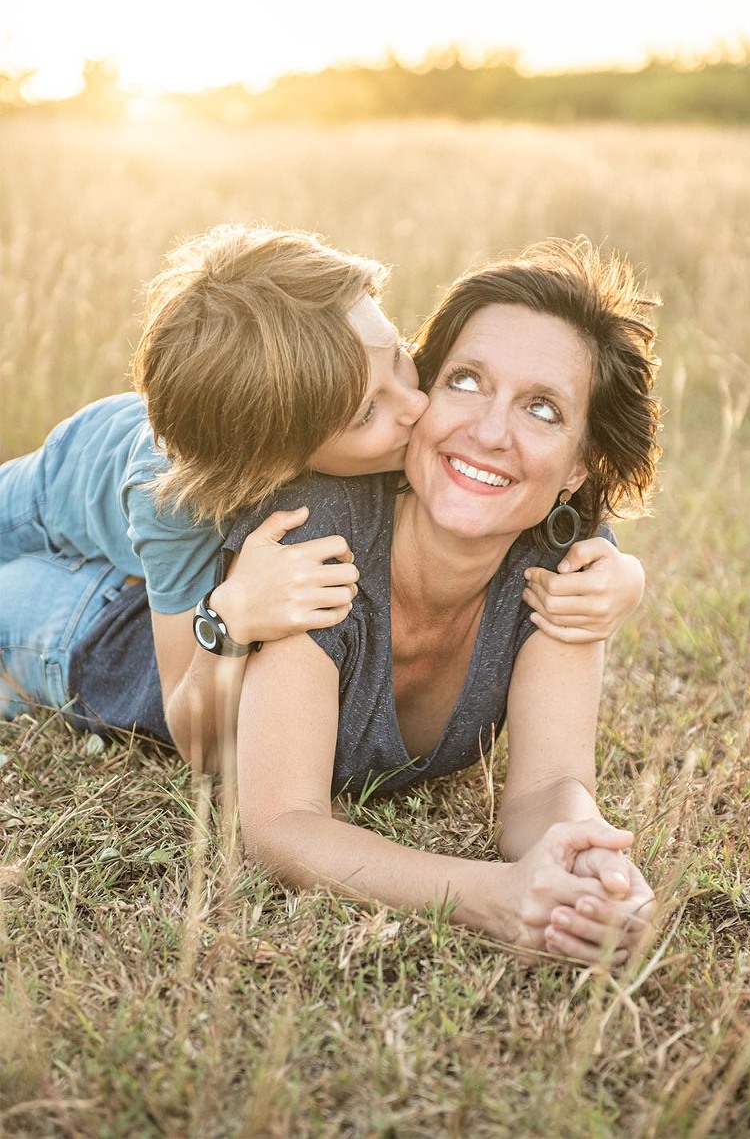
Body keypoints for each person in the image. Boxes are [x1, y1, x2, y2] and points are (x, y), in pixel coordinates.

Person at [71, 237, 663, 964]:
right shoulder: (308, 537)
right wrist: (492, 897)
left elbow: (550, 785)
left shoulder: (572, 565)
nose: (488, 431)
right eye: (467, 380)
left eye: (543, 409)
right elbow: (279, 821)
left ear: (580, 466)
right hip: (90, 622)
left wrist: (586, 859)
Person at [0, 225, 644, 768]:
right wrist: (233, 614)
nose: (417, 404)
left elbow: (525, 477)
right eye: (369, 414)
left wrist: (626, 576)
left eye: (400, 357)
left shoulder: (347, 395)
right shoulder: (176, 502)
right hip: (56, 490)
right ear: (284, 463)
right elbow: (191, 722)